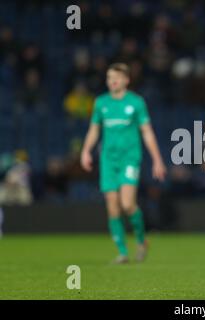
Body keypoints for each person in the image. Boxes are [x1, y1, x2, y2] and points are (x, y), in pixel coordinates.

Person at [81, 63, 167, 264]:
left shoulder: (136, 102)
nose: (112, 81)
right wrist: (86, 151)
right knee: (112, 208)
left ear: (126, 80)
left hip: (130, 158)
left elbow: (146, 131)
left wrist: (157, 160)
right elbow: (94, 129)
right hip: (108, 160)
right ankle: (122, 252)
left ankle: (141, 240)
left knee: (127, 204)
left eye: (117, 78)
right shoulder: (101, 102)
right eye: (110, 77)